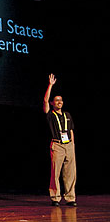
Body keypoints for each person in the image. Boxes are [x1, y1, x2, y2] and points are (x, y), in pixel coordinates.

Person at [43, 73, 77, 207]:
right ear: (53, 103)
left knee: (70, 173)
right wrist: (50, 85)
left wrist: (72, 144)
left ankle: (70, 197)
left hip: (69, 145)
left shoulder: (67, 114)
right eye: (56, 100)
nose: (59, 102)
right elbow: (45, 101)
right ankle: (55, 197)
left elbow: (71, 130)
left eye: (61, 100)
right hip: (57, 145)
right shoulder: (51, 115)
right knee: (55, 172)